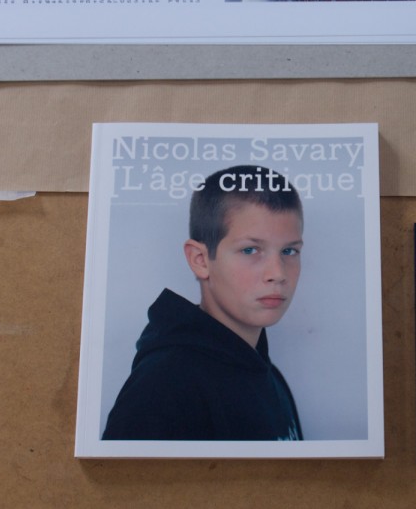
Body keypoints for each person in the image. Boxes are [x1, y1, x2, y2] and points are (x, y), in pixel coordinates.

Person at [102, 165, 305, 441]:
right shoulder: (162, 387)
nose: (278, 273)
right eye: (250, 250)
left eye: (289, 251)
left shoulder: (270, 376)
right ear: (200, 260)